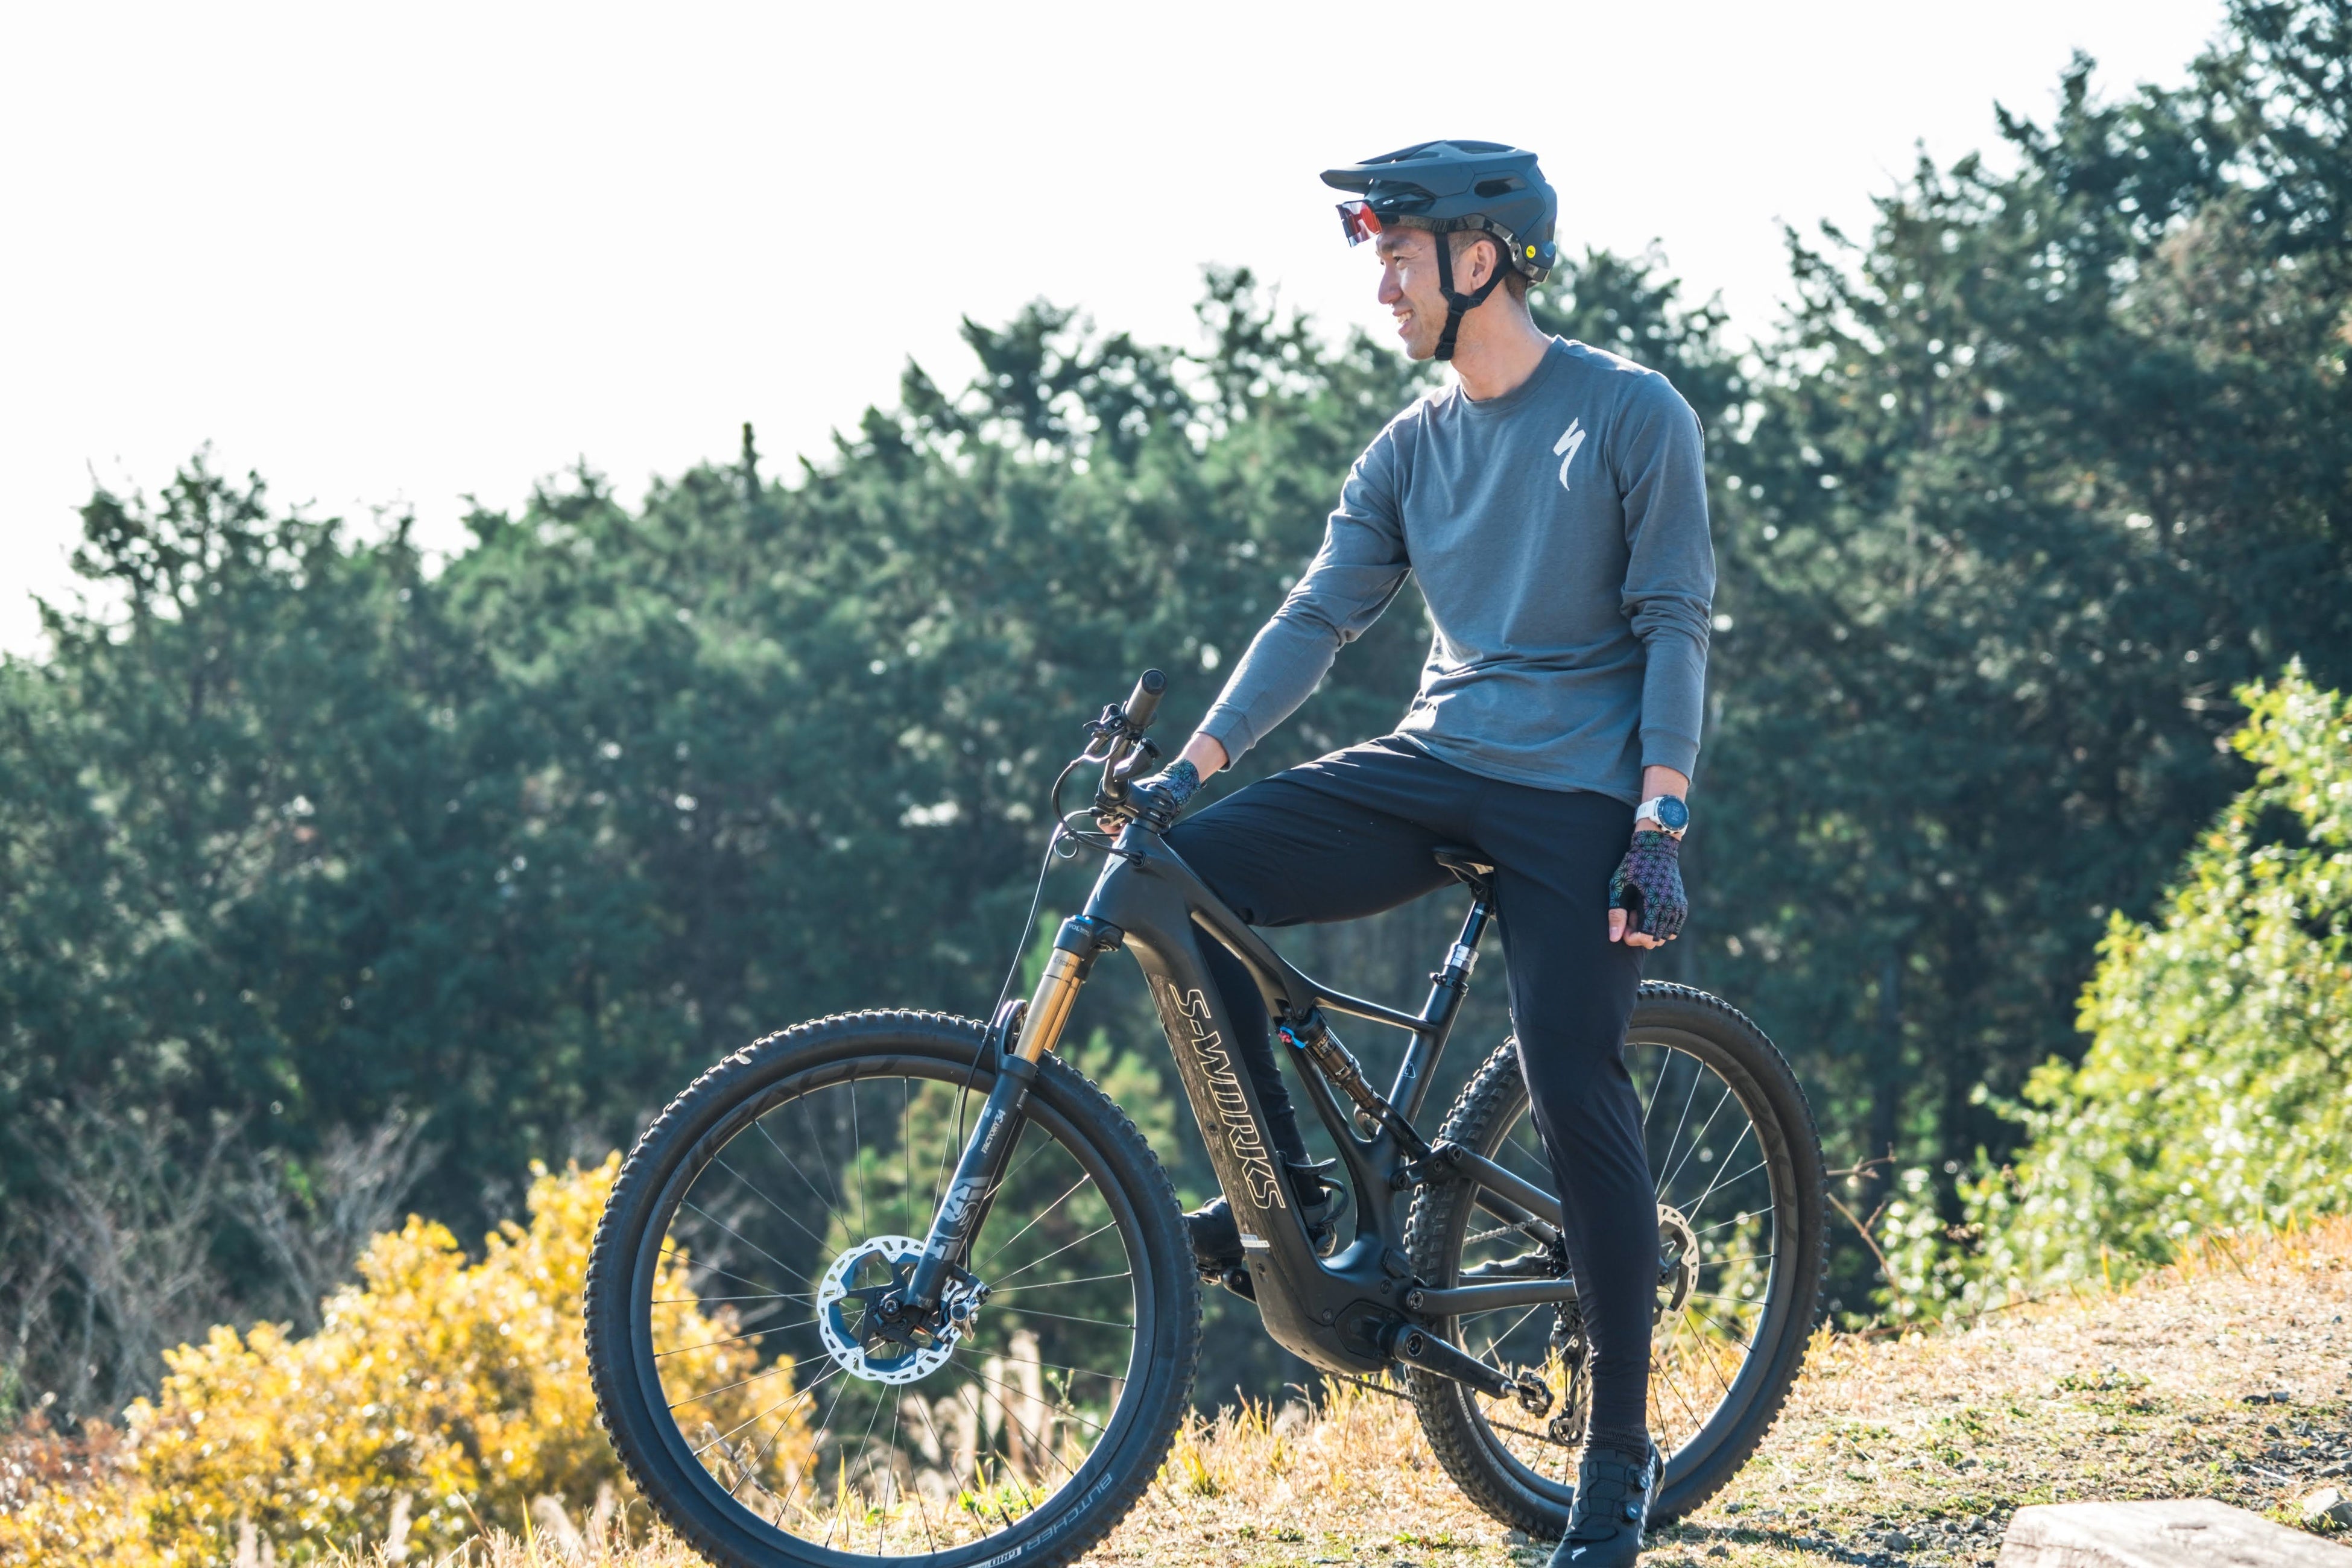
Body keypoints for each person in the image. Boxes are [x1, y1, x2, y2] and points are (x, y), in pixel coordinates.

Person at [1122, 139, 1712, 1567]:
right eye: (1379, 260)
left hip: (1579, 796)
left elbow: (1675, 622)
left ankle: (1618, 1453)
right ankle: (1292, 1196)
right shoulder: (1407, 449)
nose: (1380, 287)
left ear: (1482, 257)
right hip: (1436, 760)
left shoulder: (1630, 412)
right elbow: (1317, 619)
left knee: (1572, 1080)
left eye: (1399, 258)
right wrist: (1188, 770)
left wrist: (1660, 822)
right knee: (1192, 885)